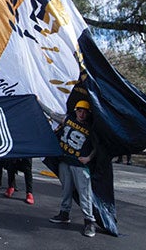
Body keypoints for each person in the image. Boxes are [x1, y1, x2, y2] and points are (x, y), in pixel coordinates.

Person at [48, 100, 96, 238]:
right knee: (66, 189)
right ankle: (64, 213)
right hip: (65, 161)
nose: (82, 114)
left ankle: (89, 221)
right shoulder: (67, 120)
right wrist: (38, 100)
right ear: (75, 111)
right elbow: (51, 114)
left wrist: (89, 158)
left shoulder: (91, 128)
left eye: (85, 111)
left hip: (80, 165)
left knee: (84, 193)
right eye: (80, 110)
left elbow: (98, 146)